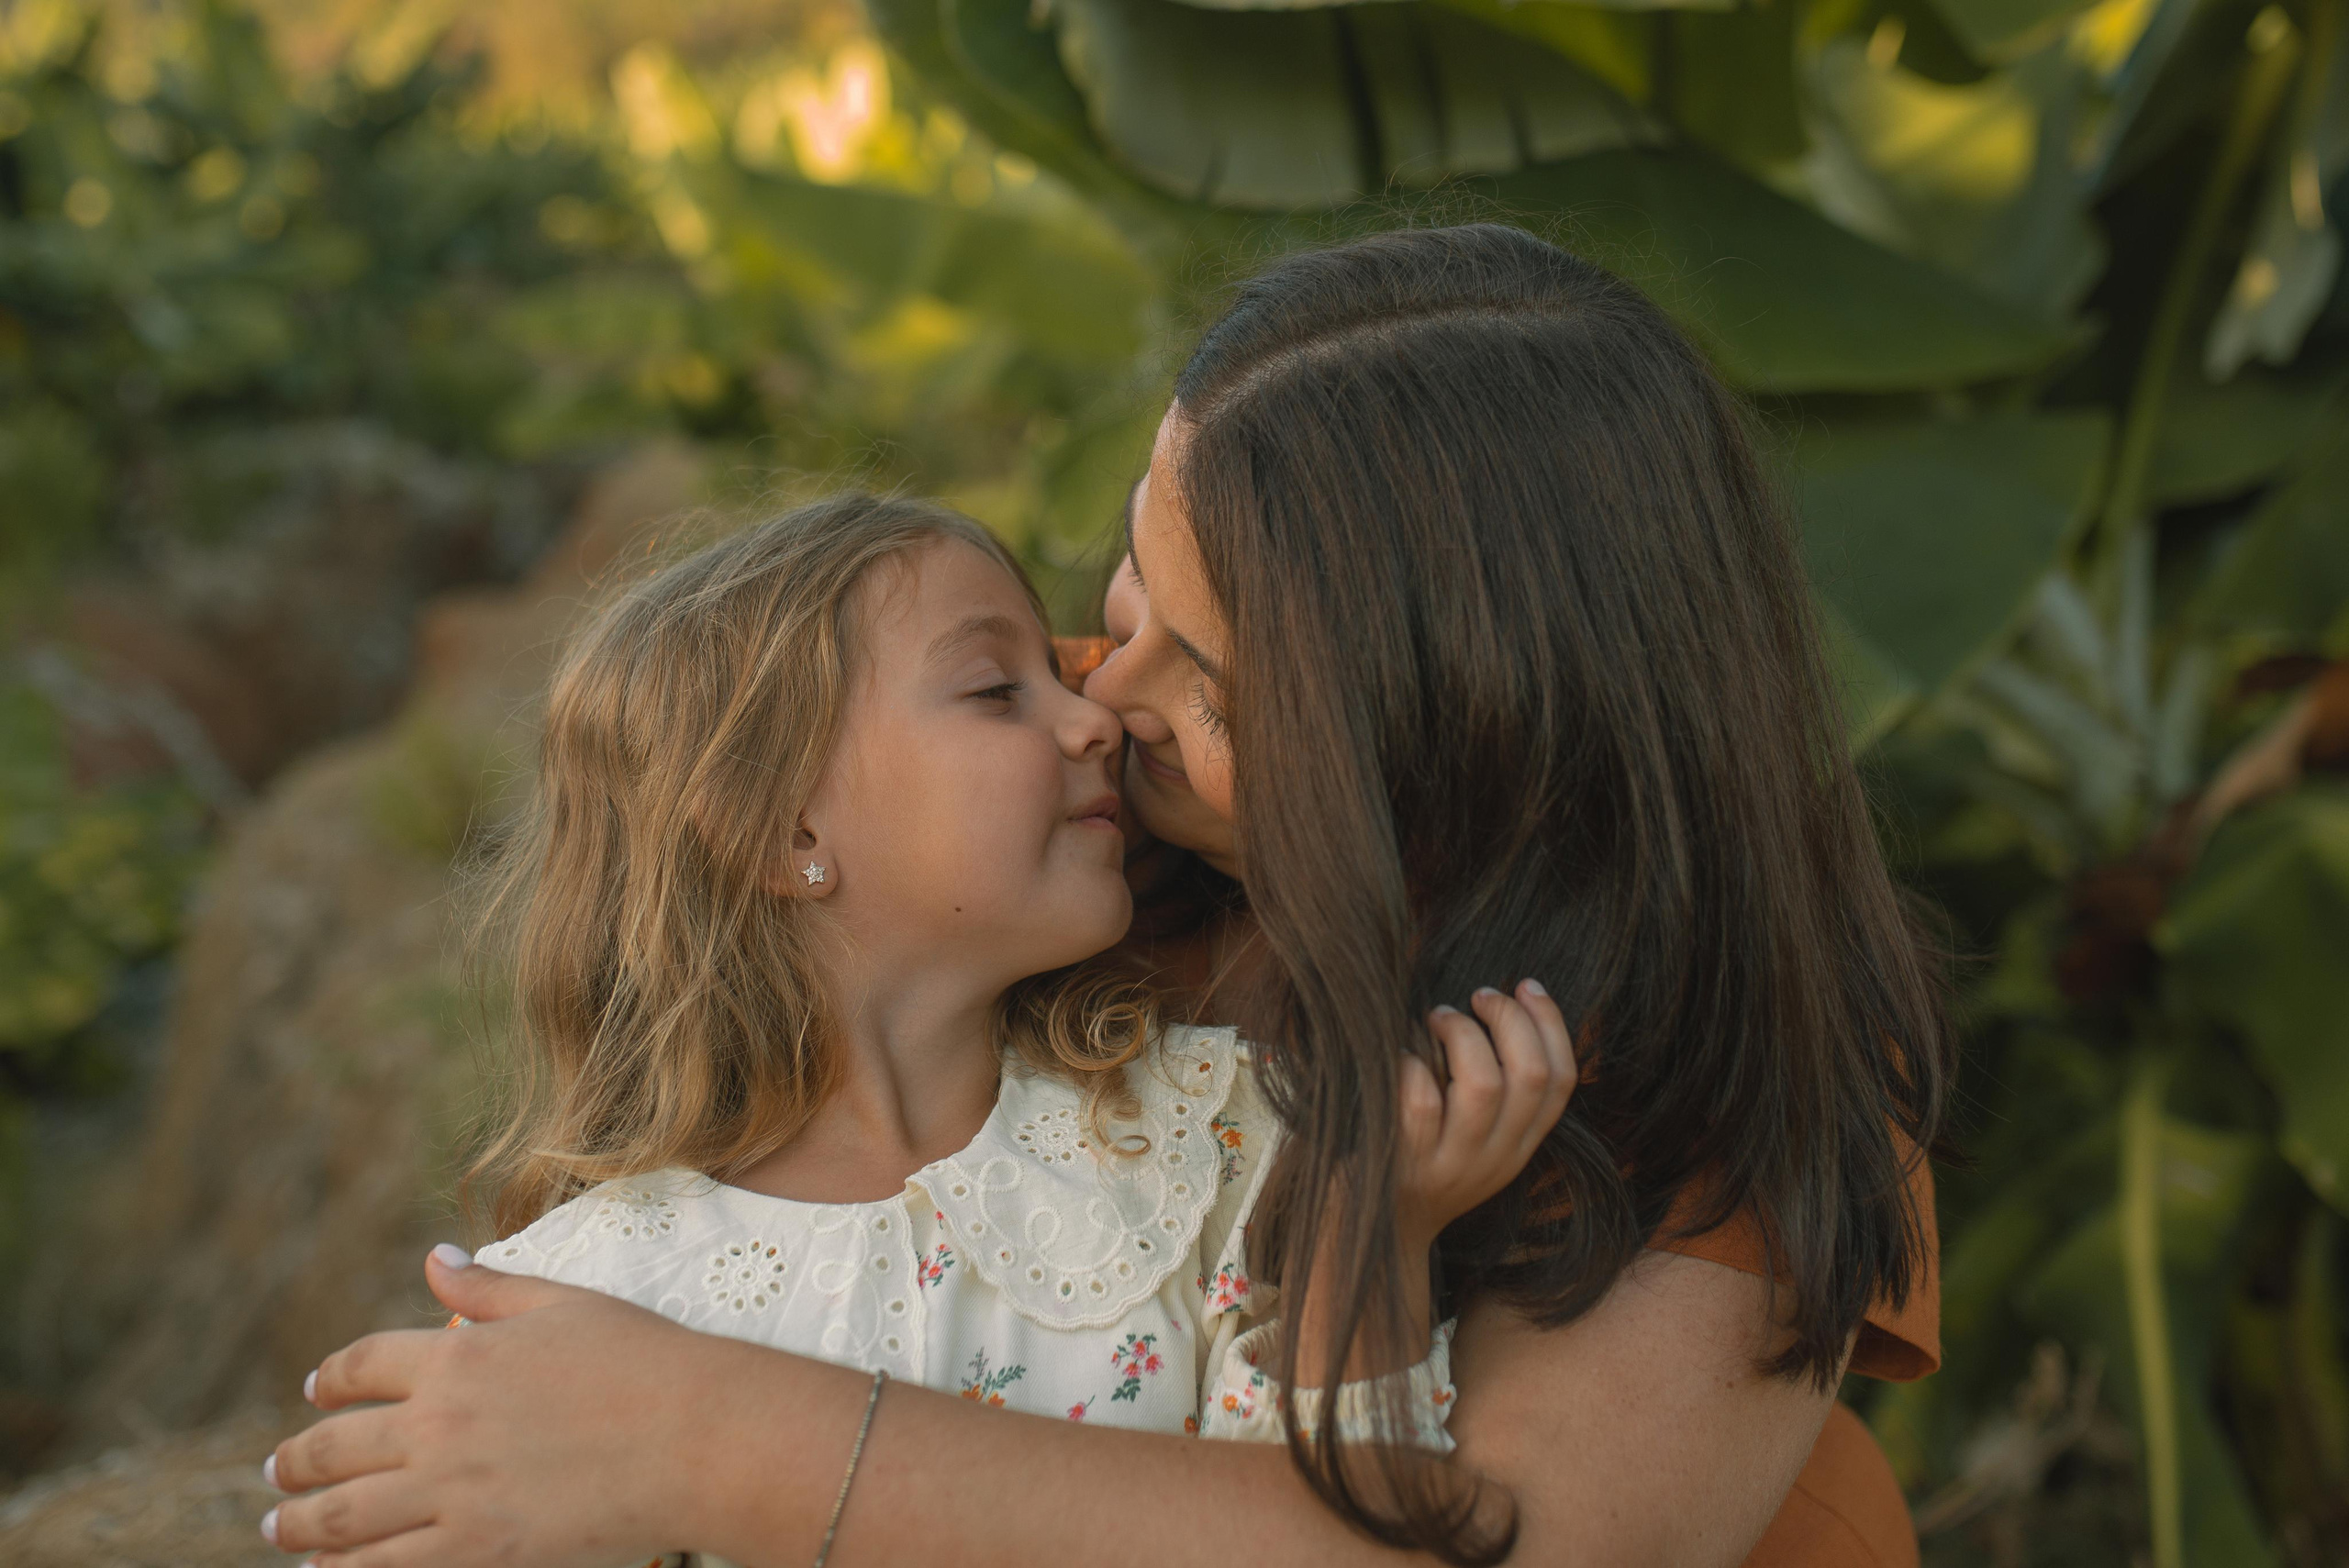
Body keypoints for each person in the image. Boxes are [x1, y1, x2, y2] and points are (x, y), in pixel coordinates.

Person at [261, 223, 1951, 1568]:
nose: (1104, 688)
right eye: (1138, 564)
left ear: (1444, 754)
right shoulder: (1059, 800)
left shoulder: (1750, 1066)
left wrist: (697, 1434)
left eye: (1202, 671)